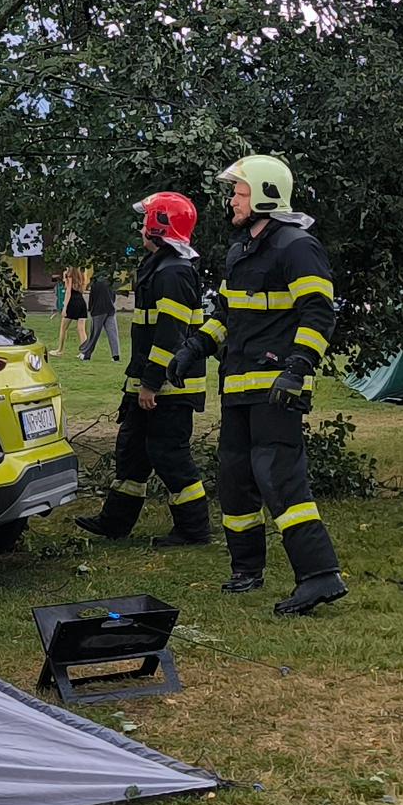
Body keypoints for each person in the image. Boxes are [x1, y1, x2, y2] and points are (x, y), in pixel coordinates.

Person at [205, 154, 345, 614]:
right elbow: (227, 314)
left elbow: (319, 313)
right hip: (239, 387)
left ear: (265, 194)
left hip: (278, 387)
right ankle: (247, 569)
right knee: (235, 478)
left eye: (240, 193)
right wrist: (194, 348)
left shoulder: (296, 246)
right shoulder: (241, 248)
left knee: (277, 477)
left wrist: (298, 367)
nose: (233, 201)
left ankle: (320, 576)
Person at [75, 194, 213, 547]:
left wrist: (151, 383)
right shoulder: (160, 267)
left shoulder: (174, 272)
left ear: (158, 226)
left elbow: (171, 335)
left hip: (169, 388)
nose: (140, 228)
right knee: (132, 452)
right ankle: (115, 523)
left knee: (169, 455)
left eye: (145, 221)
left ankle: (194, 530)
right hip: (147, 386)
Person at [81, 260, 122, 360]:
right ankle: (115, 355)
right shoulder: (110, 282)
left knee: (95, 333)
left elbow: (92, 298)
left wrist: (90, 309)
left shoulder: (95, 283)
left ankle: (87, 354)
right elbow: (113, 296)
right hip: (110, 309)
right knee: (112, 333)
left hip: (98, 310)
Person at [54, 266, 87, 352]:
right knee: (81, 329)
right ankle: (85, 352)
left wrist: (65, 307)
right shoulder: (81, 274)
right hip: (81, 301)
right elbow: (83, 289)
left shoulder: (70, 274)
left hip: (72, 302)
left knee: (63, 328)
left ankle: (60, 350)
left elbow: (68, 291)